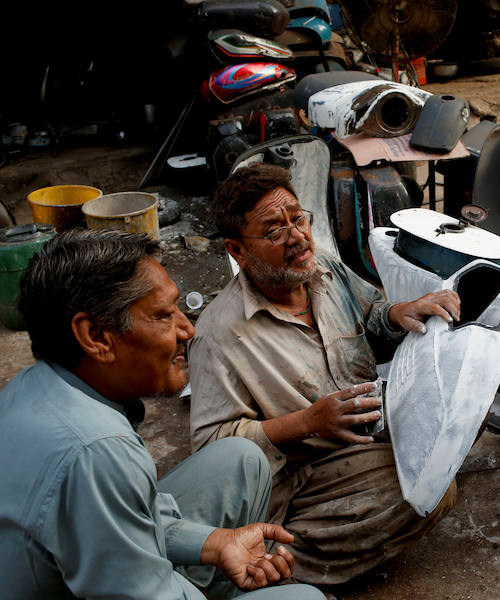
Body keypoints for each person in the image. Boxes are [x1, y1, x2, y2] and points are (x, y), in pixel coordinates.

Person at [0, 228, 325, 600]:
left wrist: (217, 544)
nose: (188, 329)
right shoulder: (97, 451)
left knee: (243, 458)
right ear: (95, 336)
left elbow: (137, 513)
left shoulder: (36, 385)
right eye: (163, 315)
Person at [189, 163, 461, 585]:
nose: (297, 236)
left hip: (367, 434)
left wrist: (397, 313)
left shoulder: (325, 272)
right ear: (237, 251)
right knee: (430, 491)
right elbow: (211, 446)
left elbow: (369, 314)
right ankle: (270, 571)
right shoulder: (218, 335)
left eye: (298, 218)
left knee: (458, 418)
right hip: (302, 476)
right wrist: (307, 423)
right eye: (274, 230)